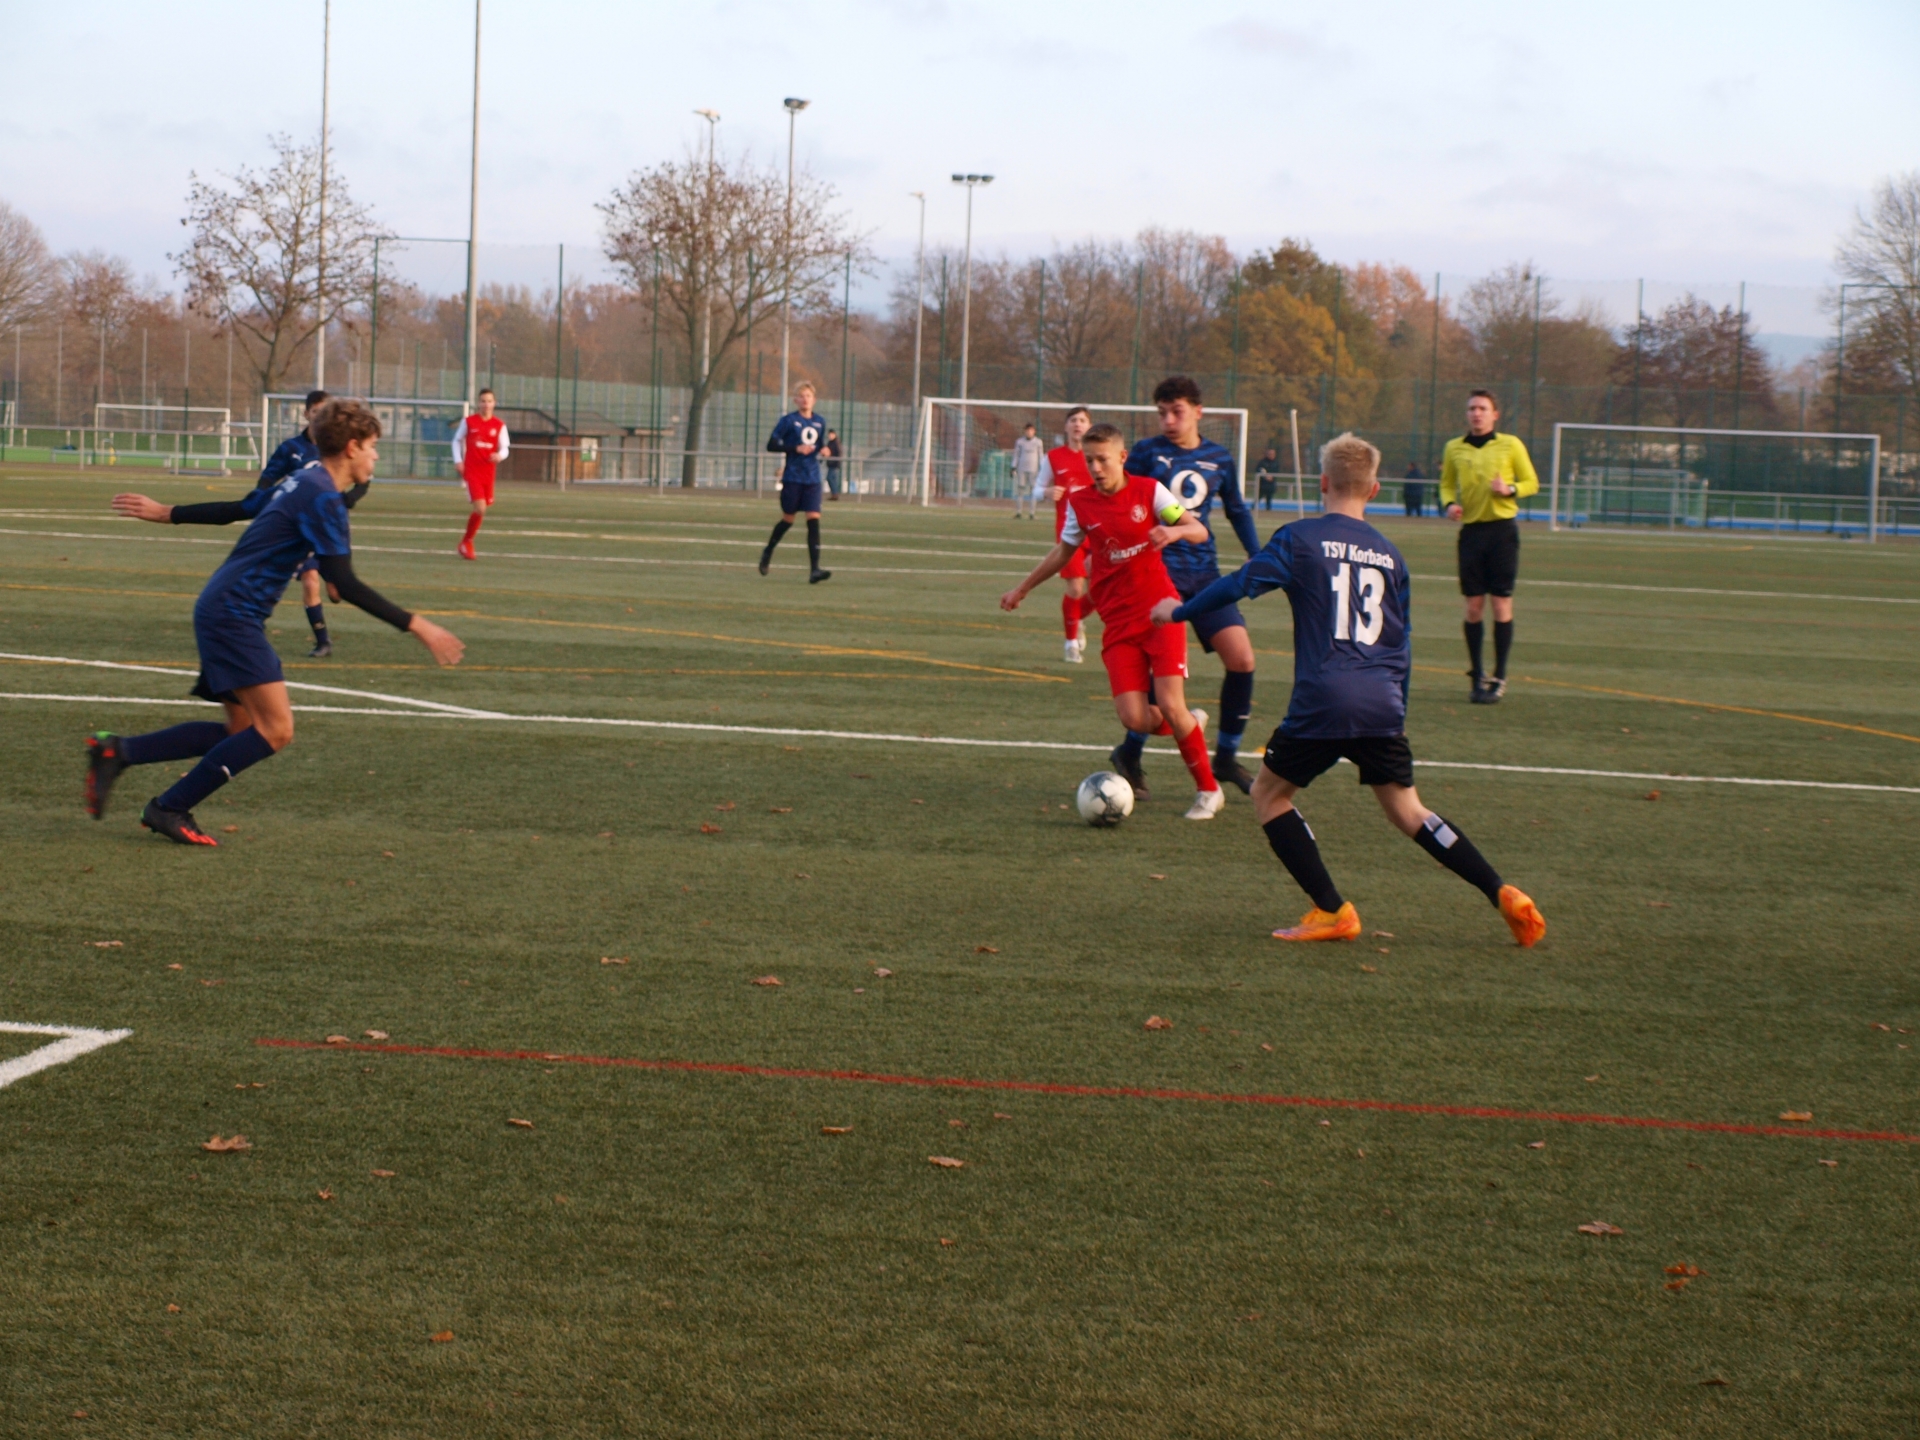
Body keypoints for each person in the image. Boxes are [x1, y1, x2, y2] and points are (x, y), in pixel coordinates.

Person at [1151, 431, 1545, 946]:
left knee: (1269, 794)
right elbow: (1402, 645)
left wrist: (1179, 610)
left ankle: (1332, 909)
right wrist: (1397, 709)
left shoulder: (1299, 538)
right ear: (1375, 489)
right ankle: (1500, 890)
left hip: (1324, 699)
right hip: (1383, 702)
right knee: (1409, 811)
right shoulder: (1391, 555)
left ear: (1323, 483)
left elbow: (1239, 584)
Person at [85, 400, 465, 846]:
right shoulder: (323, 495)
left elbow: (245, 508)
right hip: (233, 615)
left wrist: (170, 512)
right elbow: (345, 581)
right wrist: (419, 626)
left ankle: (118, 751)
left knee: (241, 730)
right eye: (373, 447)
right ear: (351, 447)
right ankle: (168, 807)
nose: (376, 457)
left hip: (221, 606)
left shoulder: (306, 479)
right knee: (277, 729)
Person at [1000, 424, 1223, 820]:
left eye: (1103, 459)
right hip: (1118, 623)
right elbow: (1063, 552)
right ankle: (1189, 725)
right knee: (1133, 718)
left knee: (1170, 704)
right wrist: (1022, 588)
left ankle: (1208, 791)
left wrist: (1173, 533)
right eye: (1090, 461)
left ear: (1122, 457)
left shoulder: (1150, 492)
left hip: (1160, 613)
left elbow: (1197, 528)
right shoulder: (1081, 503)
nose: (1096, 468)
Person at [1127, 375, 1262, 796]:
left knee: (1241, 659)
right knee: (1163, 677)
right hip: (1158, 575)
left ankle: (1225, 758)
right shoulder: (1146, 453)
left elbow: (1237, 510)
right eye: (1162, 413)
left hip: (1204, 575)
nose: (1169, 420)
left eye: (1177, 412)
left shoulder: (1218, 458)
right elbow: (1124, 503)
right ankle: (1130, 753)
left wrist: (1257, 554)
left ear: (1198, 412)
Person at [1440, 390, 1538, 704]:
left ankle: (1499, 676)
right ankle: (1477, 674)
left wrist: (1509, 489)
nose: (1476, 413)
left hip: (1502, 533)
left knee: (1501, 604)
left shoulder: (1510, 444)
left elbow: (1532, 482)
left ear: (1495, 414)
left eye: (1483, 408)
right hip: (1471, 533)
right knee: (1473, 607)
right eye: (1472, 408)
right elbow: (1446, 485)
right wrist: (1449, 504)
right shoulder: (1454, 447)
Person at [259, 389, 339, 657]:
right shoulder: (291, 449)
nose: (320, 417)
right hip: (299, 529)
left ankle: (334, 581)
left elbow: (359, 480)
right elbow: (267, 478)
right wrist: (263, 499)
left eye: (325, 413)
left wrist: (348, 498)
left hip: (328, 528)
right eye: (316, 412)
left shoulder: (335, 448)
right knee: (309, 579)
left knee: (336, 589)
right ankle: (323, 641)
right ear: (306, 414)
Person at [1032, 406, 1095, 662]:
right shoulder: (1054, 457)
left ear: (1089, 426)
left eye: (1082, 420)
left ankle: (1076, 619)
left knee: (1099, 590)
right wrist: (1046, 493)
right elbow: (1037, 489)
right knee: (1076, 587)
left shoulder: (1097, 456)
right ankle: (1071, 644)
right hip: (1069, 532)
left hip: (1098, 531)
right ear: (1066, 426)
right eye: (1073, 420)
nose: (1078, 424)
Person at [759, 382, 830, 583]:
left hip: (812, 478)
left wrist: (824, 450)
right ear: (795, 400)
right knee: (788, 520)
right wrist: (794, 448)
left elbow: (818, 444)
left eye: (809, 396)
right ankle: (768, 551)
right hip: (793, 477)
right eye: (802, 396)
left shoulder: (820, 422)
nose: (805, 399)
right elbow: (771, 445)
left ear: (814, 400)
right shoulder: (788, 421)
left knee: (813, 520)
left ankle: (815, 570)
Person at [451, 387, 509, 560]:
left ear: (494, 403)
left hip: (488, 472)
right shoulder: (469, 422)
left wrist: (499, 455)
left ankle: (465, 542)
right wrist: (458, 460)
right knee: (480, 508)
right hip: (472, 471)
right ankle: (466, 542)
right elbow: (456, 440)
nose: (486, 404)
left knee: (483, 509)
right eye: (483, 401)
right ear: (478, 403)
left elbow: (505, 448)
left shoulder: (499, 425)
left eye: (489, 401)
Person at [1011, 422, 1044, 519]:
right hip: (1022, 469)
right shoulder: (1019, 442)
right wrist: (1013, 466)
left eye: (1031, 430)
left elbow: (1041, 456)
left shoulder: (1038, 442)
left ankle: (1032, 513)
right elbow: (1016, 455)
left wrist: (1042, 468)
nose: (1029, 432)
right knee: (1020, 491)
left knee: (1033, 491)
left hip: (1033, 470)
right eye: (1027, 430)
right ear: (1025, 431)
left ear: (1034, 431)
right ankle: (1019, 512)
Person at [1254, 446, 1282, 511]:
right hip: (1262, 484)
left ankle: (1268, 510)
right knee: (1258, 497)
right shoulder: (1262, 462)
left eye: (1272, 454)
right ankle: (1253, 509)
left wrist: (1272, 477)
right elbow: (1258, 470)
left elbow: (1277, 471)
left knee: (1269, 498)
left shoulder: (1276, 463)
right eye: (1269, 454)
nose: (1271, 455)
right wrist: (1265, 477)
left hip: (1271, 484)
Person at [822, 428, 844, 501]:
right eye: (829, 435)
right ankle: (834, 494)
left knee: (830, 478)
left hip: (834, 465)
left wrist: (837, 463)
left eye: (831, 434)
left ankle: (835, 494)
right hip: (831, 464)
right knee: (831, 479)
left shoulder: (836, 443)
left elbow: (839, 453)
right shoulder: (830, 442)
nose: (830, 436)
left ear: (834, 434)